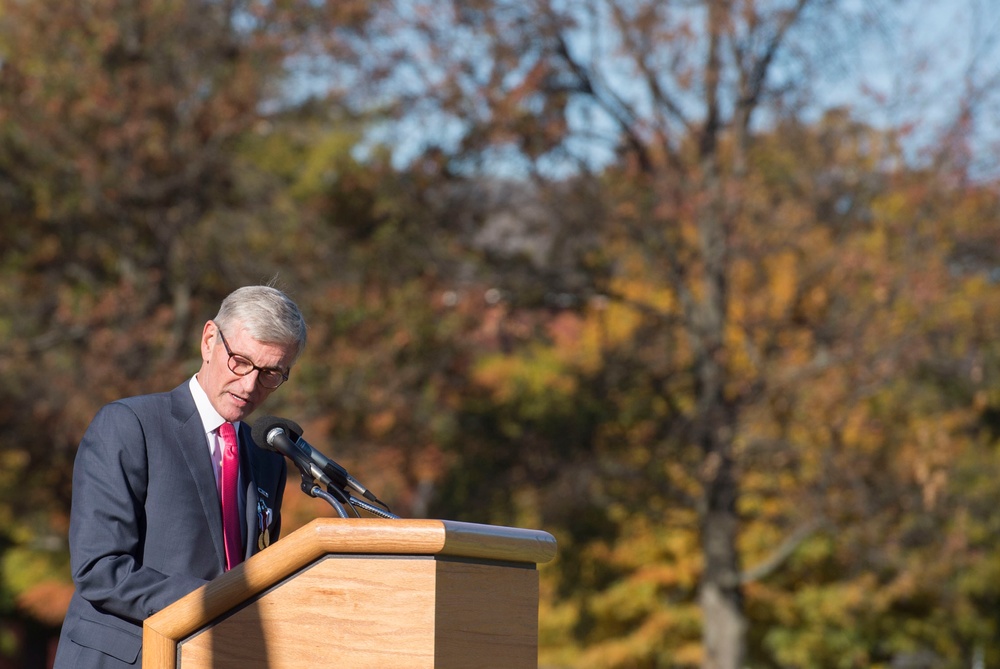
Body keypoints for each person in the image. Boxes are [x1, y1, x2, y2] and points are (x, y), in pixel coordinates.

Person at [53, 285, 307, 668]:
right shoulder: (130, 425)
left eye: (272, 374)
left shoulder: (268, 458)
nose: (250, 385)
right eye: (240, 361)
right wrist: (216, 600)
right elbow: (99, 568)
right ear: (209, 341)